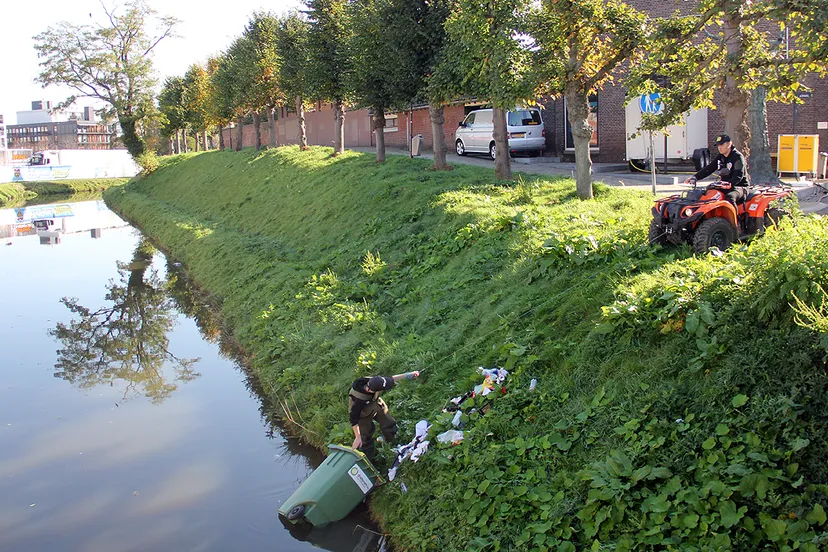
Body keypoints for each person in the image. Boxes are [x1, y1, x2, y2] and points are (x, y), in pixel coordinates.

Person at [349, 371, 420, 461]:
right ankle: (368, 460)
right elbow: (353, 419)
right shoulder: (358, 400)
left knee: (387, 419)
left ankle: (393, 440)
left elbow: (392, 378)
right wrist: (358, 436)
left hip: (375, 403)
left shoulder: (375, 381)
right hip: (362, 415)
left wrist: (409, 374)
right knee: (365, 436)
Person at [685, 134, 749, 204]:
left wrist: (730, 183)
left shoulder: (737, 157)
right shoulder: (721, 156)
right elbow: (709, 168)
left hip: (739, 187)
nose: (719, 147)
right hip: (724, 186)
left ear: (729, 144)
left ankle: (733, 215)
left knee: (730, 197)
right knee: (707, 194)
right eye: (718, 145)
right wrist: (695, 177)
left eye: (722, 145)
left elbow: (738, 176)